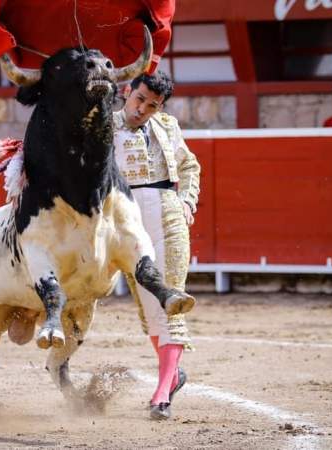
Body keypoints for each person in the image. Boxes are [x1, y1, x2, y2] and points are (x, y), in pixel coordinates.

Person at [113, 71, 200, 421]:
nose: (143, 109)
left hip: (167, 213)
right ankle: (173, 374)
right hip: (127, 218)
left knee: (171, 296)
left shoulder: (167, 124)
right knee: (150, 305)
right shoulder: (105, 126)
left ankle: (162, 392)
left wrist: (186, 201)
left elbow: (189, 164)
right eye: (140, 100)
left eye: (152, 105)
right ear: (127, 91)